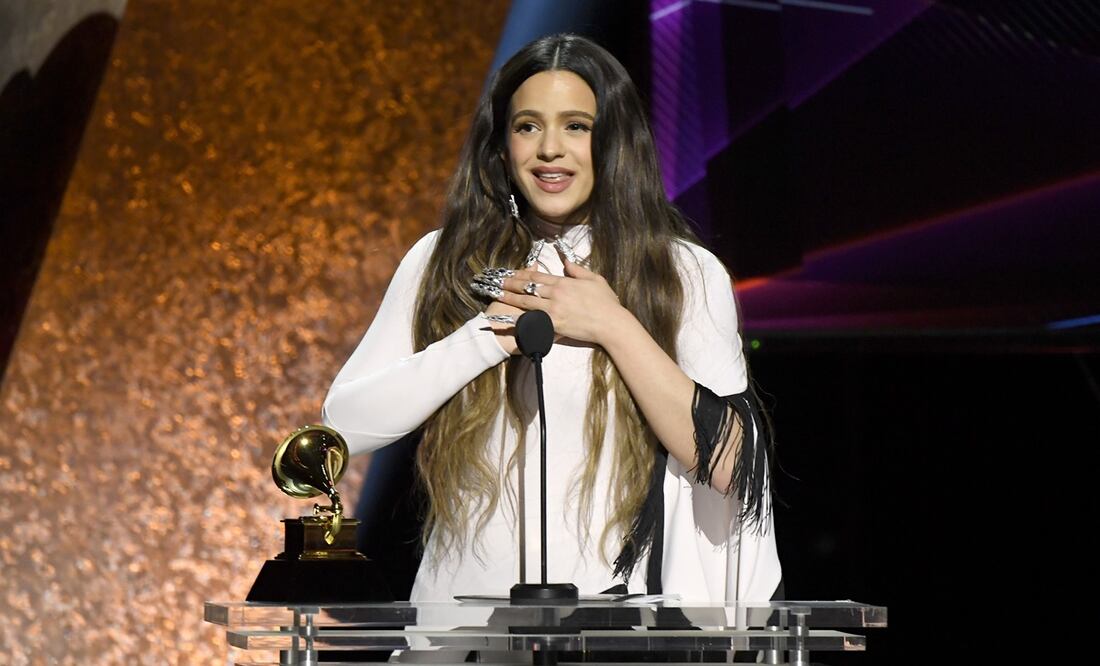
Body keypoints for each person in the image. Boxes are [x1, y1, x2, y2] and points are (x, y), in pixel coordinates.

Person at [322, 33, 780, 606]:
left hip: (619, 623)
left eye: (576, 126)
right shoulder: (442, 261)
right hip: (457, 623)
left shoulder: (680, 271)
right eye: (528, 126)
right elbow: (344, 425)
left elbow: (735, 467)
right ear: (502, 145)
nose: (549, 149)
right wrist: (485, 337)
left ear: (614, 141)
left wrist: (612, 324)